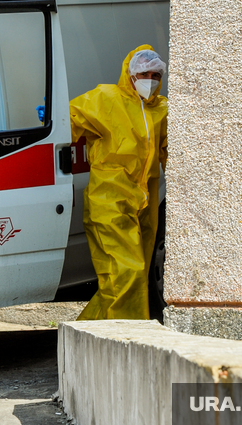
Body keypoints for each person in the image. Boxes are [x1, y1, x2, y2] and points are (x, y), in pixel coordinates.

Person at [70, 45, 168, 320]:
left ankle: (88, 335)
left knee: (127, 279)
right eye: (143, 74)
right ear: (129, 74)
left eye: (155, 75)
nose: (149, 80)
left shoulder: (161, 110)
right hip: (109, 200)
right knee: (128, 271)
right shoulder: (105, 99)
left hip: (143, 205)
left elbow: (171, 150)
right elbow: (69, 121)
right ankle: (128, 338)